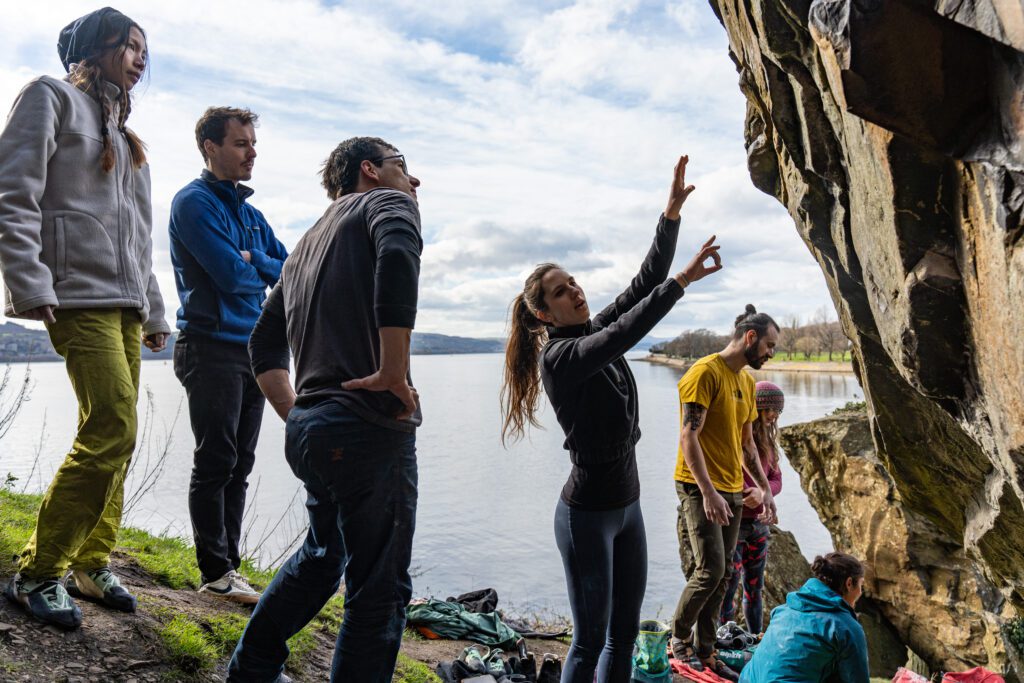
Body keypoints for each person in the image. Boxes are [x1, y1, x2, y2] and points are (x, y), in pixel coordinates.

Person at [501, 155, 724, 683]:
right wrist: (685, 280)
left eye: (574, 282)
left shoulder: (589, 332)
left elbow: (642, 287)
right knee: (589, 640)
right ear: (543, 314)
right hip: (586, 516)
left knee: (624, 636)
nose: (576, 291)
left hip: (628, 507)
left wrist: (669, 217)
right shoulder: (560, 358)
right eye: (561, 291)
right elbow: (626, 330)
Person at [227, 137, 422, 683]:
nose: (413, 181)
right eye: (402, 167)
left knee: (321, 556)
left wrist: (300, 412)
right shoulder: (388, 204)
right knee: (378, 591)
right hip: (365, 427)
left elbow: (262, 345)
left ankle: (252, 669)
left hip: (315, 429)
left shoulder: (307, 243)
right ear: (370, 171)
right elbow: (400, 256)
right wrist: (393, 370)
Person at [0, 8, 169, 629]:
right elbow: (12, 193)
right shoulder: (49, 98)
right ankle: (38, 571)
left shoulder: (127, 140)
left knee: (119, 439)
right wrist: (27, 281)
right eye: (128, 45)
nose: (139, 57)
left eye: (143, 49)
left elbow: (139, 238)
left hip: (124, 304)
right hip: (74, 295)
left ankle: (91, 563)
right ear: (95, 49)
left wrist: (151, 307)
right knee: (112, 426)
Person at [169, 106, 288, 603]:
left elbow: (288, 270)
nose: (252, 152)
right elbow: (229, 276)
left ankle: (229, 568)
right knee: (216, 459)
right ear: (210, 147)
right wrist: (253, 269)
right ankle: (214, 571)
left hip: (253, 349)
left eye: (253, 143)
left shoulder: (252, 216)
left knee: (240, 462)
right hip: (208, 346)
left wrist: (254, 258)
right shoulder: (193, 203)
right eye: (241, 143)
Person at [671, 305, 781, 680]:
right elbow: (689, 436)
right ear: (750, 337)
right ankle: (679, 639)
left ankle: (707, 650)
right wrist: (707, 492)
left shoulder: (746, 383)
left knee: (722, 577)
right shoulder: (704, 373)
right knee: (711, 569)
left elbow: (748, 445)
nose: (771, 353)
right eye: (768, 344)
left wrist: (765, 491)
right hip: (699, 485)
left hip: (733, 488)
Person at [740, 552, 870, 683]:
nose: (860, 592)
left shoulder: (782, 611)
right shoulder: (845, 627)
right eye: (860, 585)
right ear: (849, 583)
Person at [719, 381, 785, 633]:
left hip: (759, 527)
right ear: (755, 407)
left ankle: (755, 638)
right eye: (769, 408)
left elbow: (776, 480)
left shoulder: (769, 442)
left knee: (754, 588)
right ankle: (721, 640)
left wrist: (762, 492)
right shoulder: (735, 438)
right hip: (734, 525)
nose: (774, 415)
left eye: (778, 410)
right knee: (729, 586)